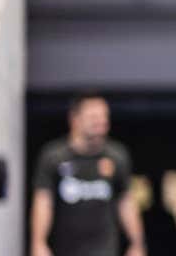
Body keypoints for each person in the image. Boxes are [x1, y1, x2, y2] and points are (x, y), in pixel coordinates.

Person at [31, 92, 145, 256]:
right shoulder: (54, 156)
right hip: (64, 249)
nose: (101, 121)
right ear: (74, 119)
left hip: (105, 250)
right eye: (93, 116)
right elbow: (43, 200)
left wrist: (137, 244)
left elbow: (126, 200)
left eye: (104, 116)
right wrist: (39, 243)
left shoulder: (116, 156)